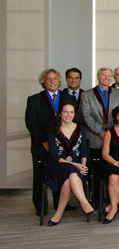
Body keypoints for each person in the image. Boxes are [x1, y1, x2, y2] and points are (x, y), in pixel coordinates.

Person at [25, 68, 77, 215]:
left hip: (63, 146)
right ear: (43, 81)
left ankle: (61, 204)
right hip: (41, 146)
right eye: (49, 79)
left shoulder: (68, 99)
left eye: (55, 79)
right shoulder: (34, 100)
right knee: (40, 175)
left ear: (60, 81)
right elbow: (31, 123)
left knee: (60, 174)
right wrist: (45, 142)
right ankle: (40, 206)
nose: (52, 81)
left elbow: (74, 122)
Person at [79, 67, 119, 200]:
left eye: (109, 76)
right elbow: (86, 116)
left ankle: (113, 200)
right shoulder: (87, 95)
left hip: (115, 138)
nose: (106, 78)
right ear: (98, 77)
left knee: (113, 170)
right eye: (104, 75)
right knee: (97, 171)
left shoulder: (118, 93)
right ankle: (98, 200)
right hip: (95, 138)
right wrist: (101, 132)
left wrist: (113, 133)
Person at [45, 100, 94, 226]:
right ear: (60, 113)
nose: (68, 115)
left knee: (68, 180)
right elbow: (54, 155)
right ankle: (84, 202)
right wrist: (76, 166)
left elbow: (83, 151)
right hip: (57, 165)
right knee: (71, 170)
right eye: (65, 112)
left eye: (71, 112)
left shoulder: (80, 129)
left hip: (77, 166)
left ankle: (58, 214)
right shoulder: (53, 130)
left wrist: (82, 165)